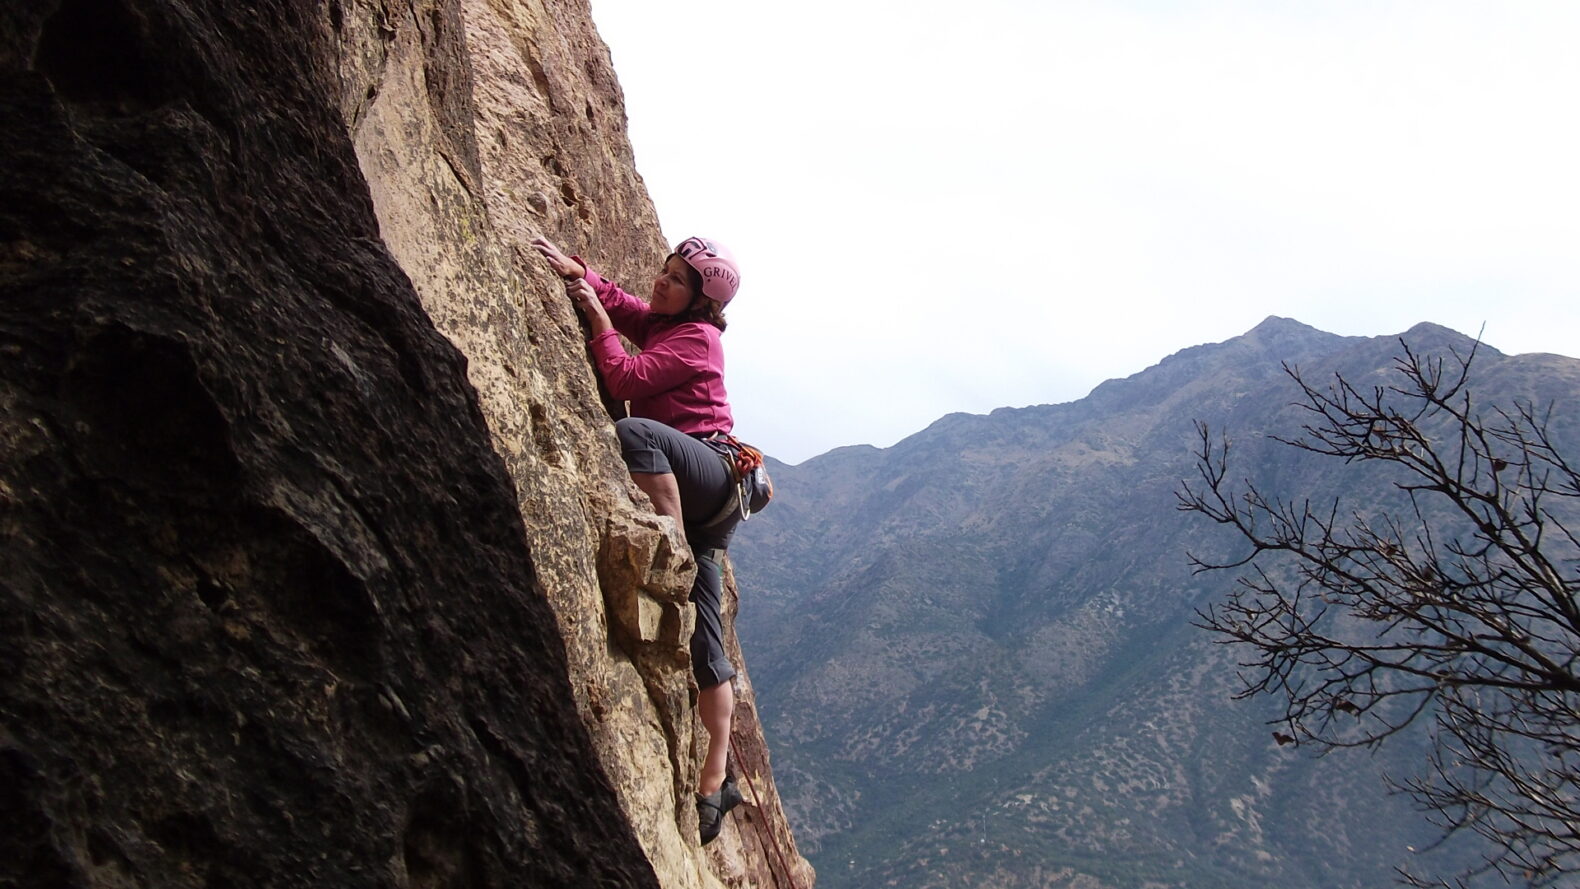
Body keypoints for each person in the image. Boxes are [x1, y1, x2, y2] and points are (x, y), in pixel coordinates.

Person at [532, 234, 747, 845]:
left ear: (702, 301)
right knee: (709, 647)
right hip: (713, 496)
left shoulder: (698, 338)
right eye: (665, 270)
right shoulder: (667, 322)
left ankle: (671, 541)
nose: (662, 282)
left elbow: (623, 372)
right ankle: (715, 782)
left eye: (678, 280)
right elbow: (630, 307)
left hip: (709, 473)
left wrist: (594, 315)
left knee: (635, 431)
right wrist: (586, 275)